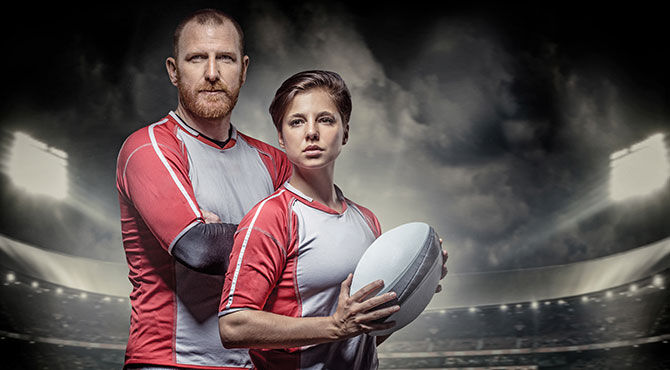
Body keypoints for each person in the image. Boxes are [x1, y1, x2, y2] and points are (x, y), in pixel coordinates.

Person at [218, 70, 448, 369]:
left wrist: (416, 288)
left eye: (325, 119)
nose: (311, 132)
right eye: (297, 121)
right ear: (281, 137)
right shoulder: (271, 216)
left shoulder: (367, 220)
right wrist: (336, 326)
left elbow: (360, 336)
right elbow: (233, 326)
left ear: (345, 132)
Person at [115, 9, 291, 369]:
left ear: (243, 70)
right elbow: (200, 248)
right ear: (173, 70)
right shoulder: (148, 147)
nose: (212, 73)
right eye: (197, 58)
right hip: (170, 362)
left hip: (251, 362)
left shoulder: (275, 161)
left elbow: (315, 233)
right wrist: (274, 240)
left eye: (224, 58)